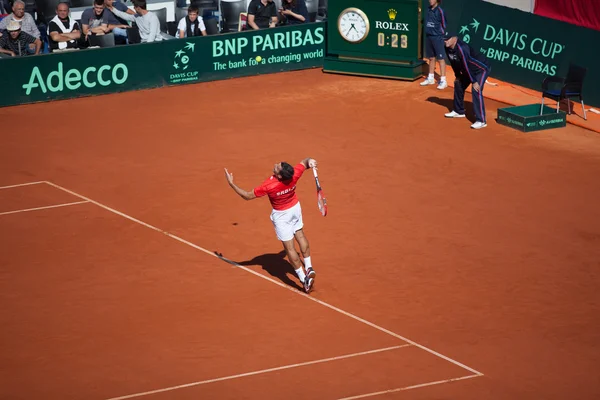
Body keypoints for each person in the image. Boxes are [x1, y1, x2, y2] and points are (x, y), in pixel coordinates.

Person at [224, 158, 319, 293]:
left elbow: (247, 196)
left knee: (290, 248)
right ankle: (309, 267)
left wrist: (232, 184)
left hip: (282, 216)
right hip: (295, 209)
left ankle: (304, 279)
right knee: (300, 234)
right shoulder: (294, 174)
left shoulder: (270, 185)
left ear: (279, 175)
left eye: (277, 167)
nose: (275, 165)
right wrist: (310, 162)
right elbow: (305, 162)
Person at [443, 31, 491, 129]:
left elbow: (466, 65)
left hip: (481, 69)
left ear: (455, 38)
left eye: (448, 39)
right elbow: (454, 63)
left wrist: (473, 81)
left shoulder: (462, 48)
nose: (445, 41)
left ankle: (481, 120)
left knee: (476, 89)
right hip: (469, 70)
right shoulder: (447, 48)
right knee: (458, 83)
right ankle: (458, 111)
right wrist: (457, 76)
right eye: (444, 39)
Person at [420, 0, 447, 89]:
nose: (430, 0)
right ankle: (431, 77)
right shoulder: (428, 9)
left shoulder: (440, 11)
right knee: (431, 58)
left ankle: (443, 80)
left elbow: (444, 24)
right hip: (429, 36)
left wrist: (439, 34)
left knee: (440, 59)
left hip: (437, 37)